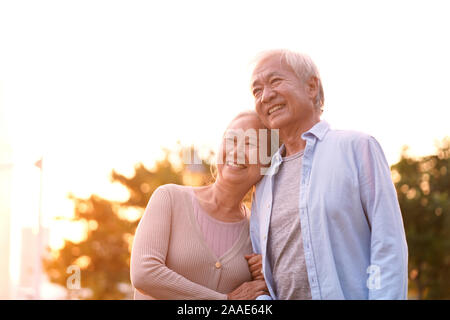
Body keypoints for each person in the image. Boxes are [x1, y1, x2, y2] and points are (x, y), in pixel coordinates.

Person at [248, 49, 408, 300]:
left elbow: (388, 248)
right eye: (257, 90)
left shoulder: (358, 148)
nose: (265, 96)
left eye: (275, 81)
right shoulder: (264, 181)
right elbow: (264, 273)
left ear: (311, 87)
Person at [130, 111, 271, 299]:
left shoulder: (256, 233)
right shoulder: (169, 198)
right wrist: (224, 300)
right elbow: (144, 274)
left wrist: (268, 275)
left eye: (250, 144)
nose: (235, 151)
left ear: (268, 161)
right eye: (231, 140)